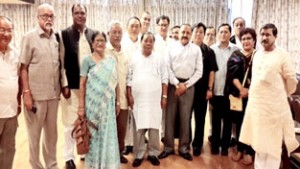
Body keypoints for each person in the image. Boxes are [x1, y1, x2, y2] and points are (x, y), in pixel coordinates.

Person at [239, 23, 299, 169]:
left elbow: (291, 80)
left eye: (268, 35)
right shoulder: (257, 54)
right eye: (262, 34)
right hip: (257, 108)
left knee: (272, 146)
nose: (264, 38)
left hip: (274, 110)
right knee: (259, 144)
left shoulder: (282, 54)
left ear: (275, 36)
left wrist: (281, 95)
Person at [20, 4, 61, 169]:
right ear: (37, 18)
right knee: (34, 136)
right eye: (45, 16)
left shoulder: (56, 39)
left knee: (52, 136)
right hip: (35, 97)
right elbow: (23, 67)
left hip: (53, 96)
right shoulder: (29, 37)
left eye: (51, 16)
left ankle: (52, 164)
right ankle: (36, 166)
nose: (48, 19)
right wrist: (27, 93)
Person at [59, 4, 98, 168]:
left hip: (89, 88)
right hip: (71, 87)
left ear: (87, 15)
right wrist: (64, 84)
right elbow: (60, 62)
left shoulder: (93, 34)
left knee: (87, 121)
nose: (80, 15)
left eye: (83, 13)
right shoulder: (64, 34)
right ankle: (69, 157)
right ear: (72, 14)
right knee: (70, 123)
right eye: (77, 13)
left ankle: (84, 151)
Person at [159, 24, 203, 161]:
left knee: (185, 118)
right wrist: (177, 84)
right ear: (179, 33)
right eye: (183, 32)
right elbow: (167, 67)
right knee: (169, 117)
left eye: (187, 32)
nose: (185, 34)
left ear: (191, 34)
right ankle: (168, 147)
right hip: (173, 86)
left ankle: (184, 148)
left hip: (189, 87)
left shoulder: (196, 49)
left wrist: (186, 85)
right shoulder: (170, 47)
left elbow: (199, 71)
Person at [77, 31, 120, 169]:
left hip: (108, 105)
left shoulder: (111, 61)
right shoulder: (87, 60)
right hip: (92, 105)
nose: (100, 43)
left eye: (102, 40)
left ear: (105, 42)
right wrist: (81, 107)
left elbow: (116, 82)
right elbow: (82, 84)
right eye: (97, 41)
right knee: (93, 134)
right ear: (92, 43)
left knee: (108, 133)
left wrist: (118, 101)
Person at [127, 32, 168, 167]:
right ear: (141, 42)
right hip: (138, 100)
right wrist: (129, 95)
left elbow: (164, 78)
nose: (148, 43)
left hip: (154, 100)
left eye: (151, 41)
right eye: (146, 40)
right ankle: (138, 154)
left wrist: (164, 96)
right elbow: (129, 78)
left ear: (153, 43)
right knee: (139, 128)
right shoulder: (134, 58)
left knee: (154, 127)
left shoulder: (159, 58)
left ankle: (153, 153)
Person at [225, 27, 256, 165]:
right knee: (239, 123)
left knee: (252, 123)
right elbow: (231, 75)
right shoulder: (235, 55)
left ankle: (249, 151)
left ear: (254, 40)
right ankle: (240, 149)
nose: (246, 41)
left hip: (255, 96)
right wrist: (242, 89)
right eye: (243, 39)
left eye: (249, 38)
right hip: (239, 96)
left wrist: (250, 90)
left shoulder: (260, 56)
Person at [210, 23, 239, 156]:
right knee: (215, 120)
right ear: (218, 34)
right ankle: (215, 146)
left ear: (230, 34)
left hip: (230, 92)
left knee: (228, 121)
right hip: (216, 90)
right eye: (220, 32)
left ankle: (225, 147)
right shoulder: (212, 49)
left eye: (226, 32)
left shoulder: (236, 50)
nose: (223, 34)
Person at [190, 22, 218, 156]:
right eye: (196, 31)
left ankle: (197, 145)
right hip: (188, 90)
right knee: (186, 118)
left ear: (204, 34)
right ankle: (186, 142)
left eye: (201, 32)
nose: (198, 34)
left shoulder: (209, 51)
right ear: (192, 33)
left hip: (202, 91)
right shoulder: (187, 49)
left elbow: (212, 72)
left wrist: (209, 89)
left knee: (200, 119)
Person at [106, 20, 129, 163]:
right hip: (107, 98)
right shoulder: (103, 51)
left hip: (123, 97)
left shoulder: (125, 53)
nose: (116, 35)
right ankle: (108, 155)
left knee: (121, 128)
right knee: (108, 129)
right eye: (113, 32)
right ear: (108, 34)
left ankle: (120, 153)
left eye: (119, 32)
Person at [0, 16, 21, 169]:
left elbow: (19, 79)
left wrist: (19, 101)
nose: (6, 34)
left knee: (8, 150)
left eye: (9, 30)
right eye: (2, 30)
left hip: (11, 111)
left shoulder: (16, 54)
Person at [122, 16, 141, 155]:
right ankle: (127, 143)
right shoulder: (122, 43)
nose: (134, 28)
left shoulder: (143, 42)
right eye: (132, 26)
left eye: (136, 26)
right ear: (127, 27)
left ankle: (136, 142)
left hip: (140, 83)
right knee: (126, 114)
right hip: (124, 82)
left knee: (137, 113)